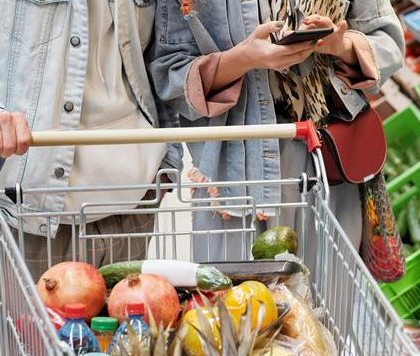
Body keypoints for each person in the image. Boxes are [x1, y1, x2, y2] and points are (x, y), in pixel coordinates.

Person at [0, 0, 182, 281]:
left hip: (134, 197)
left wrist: (167, 158)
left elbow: (160, 56)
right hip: (38, 209)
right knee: (37, 324)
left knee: (134, 323)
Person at [149, 0, 404, 262]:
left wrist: (343, 46)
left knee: (330, 294)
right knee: (242, 297)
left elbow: (387, 41)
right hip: (240, 172)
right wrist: (243, 59)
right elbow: (169, 74)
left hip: (332, 161)